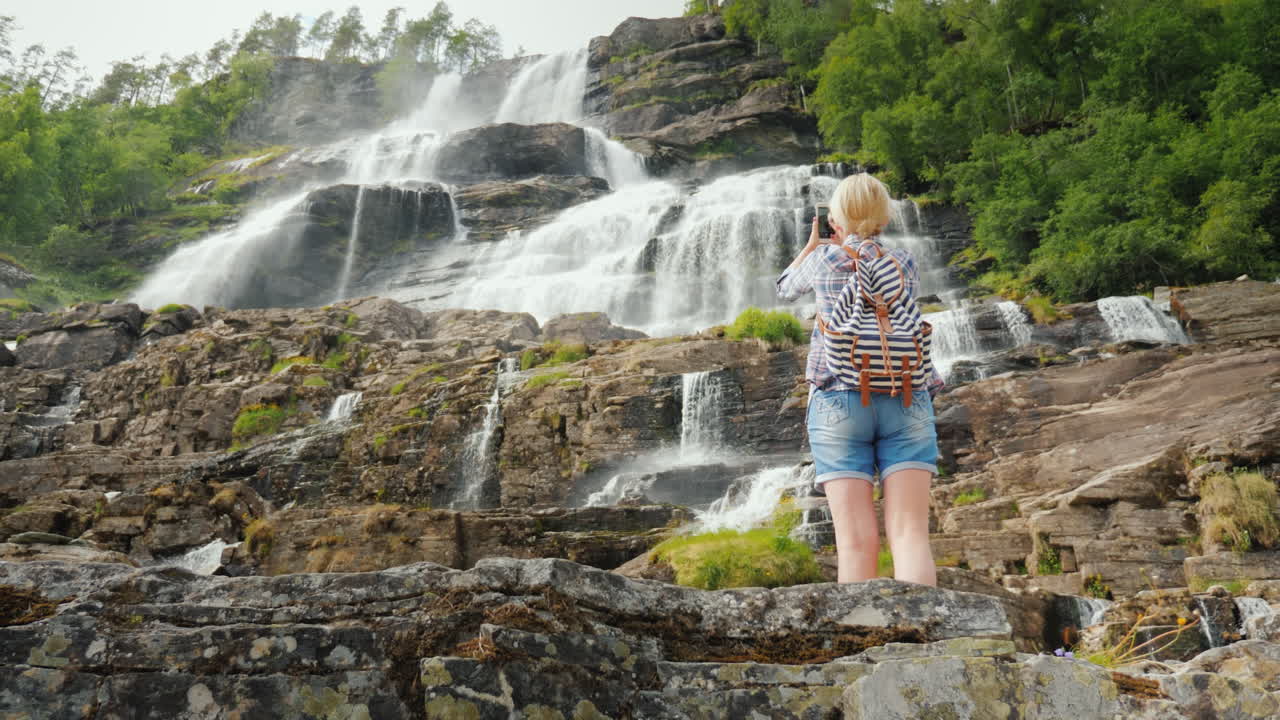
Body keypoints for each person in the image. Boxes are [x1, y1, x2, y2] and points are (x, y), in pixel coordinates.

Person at [776, 173, 942, 586]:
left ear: (835, 216)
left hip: (838, 396)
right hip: (906, 392)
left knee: (854, 542)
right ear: (884, 216)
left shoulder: (823, 260)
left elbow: (785, 289)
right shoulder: (903, 261)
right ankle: (927, 641)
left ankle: (863, 643)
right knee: (910, 535)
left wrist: (811, 248)